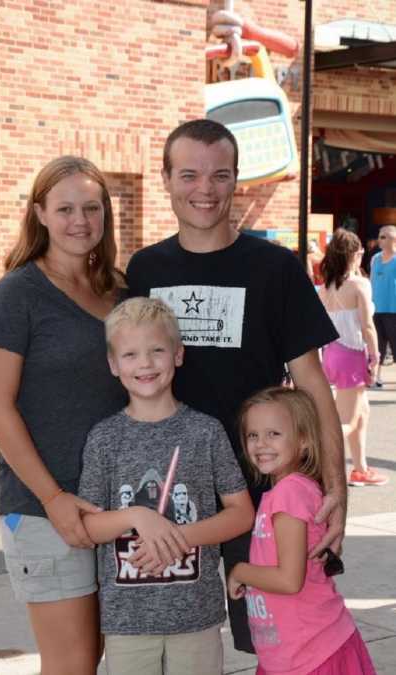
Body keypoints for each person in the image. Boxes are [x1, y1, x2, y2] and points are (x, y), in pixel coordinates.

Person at [126, 118, 347, 652]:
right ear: (166, 179)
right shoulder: (144, 268)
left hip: (265, 490)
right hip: (170, 492)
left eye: (220, 175)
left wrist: (335, 486)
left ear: (236, 180)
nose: (205, 190)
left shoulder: (275, 268)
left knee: (283, 641)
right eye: (189, 175)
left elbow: (312, 380)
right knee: (178, 646)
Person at [0, 156, 127, 675]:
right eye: (65, 208)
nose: (79, 220)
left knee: (100, 653)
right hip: (44, 506)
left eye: (91, 207)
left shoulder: (118, 290)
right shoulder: (19, 292)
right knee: (72, 663)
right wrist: (54, 498)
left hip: (115, 505)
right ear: (39, 212)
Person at [78, 296, 254, 675]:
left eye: (157, 350)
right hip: (127, 621)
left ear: (178, 354)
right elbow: (89, 526)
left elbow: (241, 514)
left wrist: (180, 537)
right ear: (113, 364)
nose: (145, 363)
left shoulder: (205, 431)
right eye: (130, 354)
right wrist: (139, 516)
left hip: (196, 614)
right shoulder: (104, 438)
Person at [228, 386, 376, 675]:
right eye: (253, 435)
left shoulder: (289, 493)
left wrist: (239, 571)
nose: (261, 444)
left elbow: (288, 579)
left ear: (305, 440)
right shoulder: (286, 491)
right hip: (293, 652)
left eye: (274, 434)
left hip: (313, 654)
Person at [319, 229, 388, 487]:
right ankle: (320, 464)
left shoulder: (326, 286)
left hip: (333, 353)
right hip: (352, 355)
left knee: (362, 413)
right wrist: (375, 355)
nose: (361, 256)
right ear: (352, 254)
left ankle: (360, 468)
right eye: (359, 252)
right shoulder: (359, 284)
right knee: (347, 420)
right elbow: (367, 326)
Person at [370, 225, 396, 385]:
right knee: (378, 344)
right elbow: (372, 281)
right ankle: (376, 376)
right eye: (379, 236)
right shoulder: (375, 259)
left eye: (383, 237)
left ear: (393, 239)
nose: (379, 240)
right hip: (376, 309)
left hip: (393, 309)